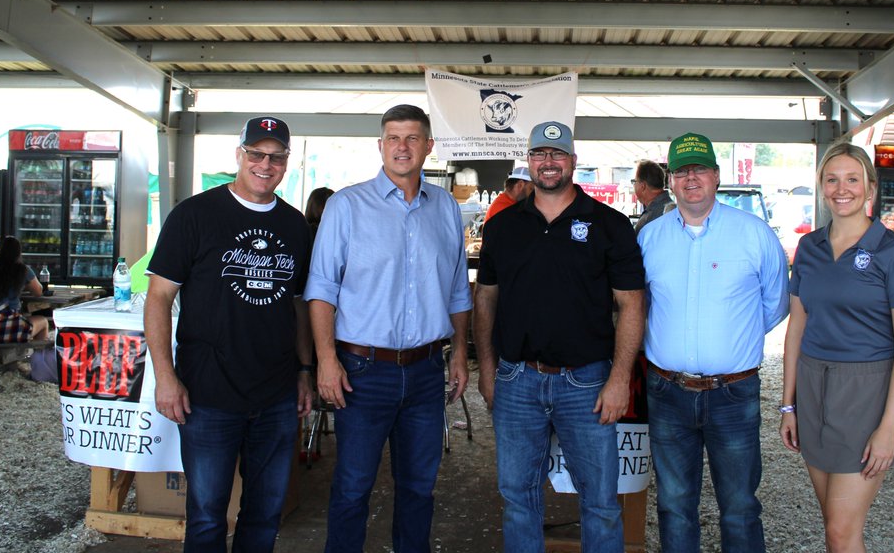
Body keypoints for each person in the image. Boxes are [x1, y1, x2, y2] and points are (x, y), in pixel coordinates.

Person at [145, 115, 314, 553]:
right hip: (208, 393)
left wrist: (304, 370)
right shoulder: (195, 215)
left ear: (286, 162)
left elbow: (297, 303)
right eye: (256, 153)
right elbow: (158, 298)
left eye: (276, 157)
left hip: (276, 394)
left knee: (264, 513)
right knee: (206, 515)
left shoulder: (296, 226)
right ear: (239, 155)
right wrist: (166, 377)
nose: (265, 163)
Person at [306, 104, 471, 553]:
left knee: (419, 488)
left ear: (429, 146)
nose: (403, 147)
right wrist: (325, 361)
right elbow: (321, 289)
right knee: (354, 487)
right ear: (380, 146)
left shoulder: (445, 211)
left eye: (413, 138)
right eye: (393, 138)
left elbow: (457, 288)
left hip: (424, 373)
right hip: (362, 371)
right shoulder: (347, 205)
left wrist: (459, 353)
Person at [475, 120, 645, 553]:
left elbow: (631, 304)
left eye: (557, 154)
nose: (547, 162)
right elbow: (485, 301)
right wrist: (488, 370)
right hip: (517, 379)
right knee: (517, 497)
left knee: (602, 502)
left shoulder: (609, 225)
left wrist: (620, 378)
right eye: (539, 154)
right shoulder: (502, 227)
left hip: (586, 382)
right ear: (528, 162)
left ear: (573, 161)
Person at [638, 131, 788, 553]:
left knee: (739, 506)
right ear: (670, 180)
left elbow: (774, 306)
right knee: (673, 504)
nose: (691, 179)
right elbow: (641, 306)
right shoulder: (649, 238)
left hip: (734, 392)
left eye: (699, 169)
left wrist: (729, 342)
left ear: (716, 176)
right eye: (681, 171)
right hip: (667, 391)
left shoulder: (754, 234)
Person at [781, 142, 894, 553]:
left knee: (843, 531)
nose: (841, 189)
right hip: (813, 387)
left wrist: (888, 429)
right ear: (821, 187)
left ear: (870, 189)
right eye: (832, 179)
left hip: (867, 394)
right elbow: (796, 329)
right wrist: (788, 405)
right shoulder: (809, 248)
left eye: (852, 179)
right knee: (832, 526)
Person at [632, 159, 673, 231]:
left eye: (634, 181)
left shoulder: (648, 220)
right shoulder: (673, 208)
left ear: (643, 186)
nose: (634, 185)